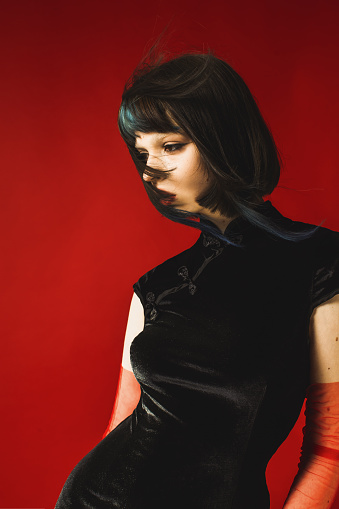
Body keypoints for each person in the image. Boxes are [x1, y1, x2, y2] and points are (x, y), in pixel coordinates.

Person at [55, 49, 339, 508]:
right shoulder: (154, 287)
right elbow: (120, 426)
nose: (150, 169)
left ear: (223, 138)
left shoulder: (319, 261)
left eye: (170, 146)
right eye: (141, 152)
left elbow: (329, 451)